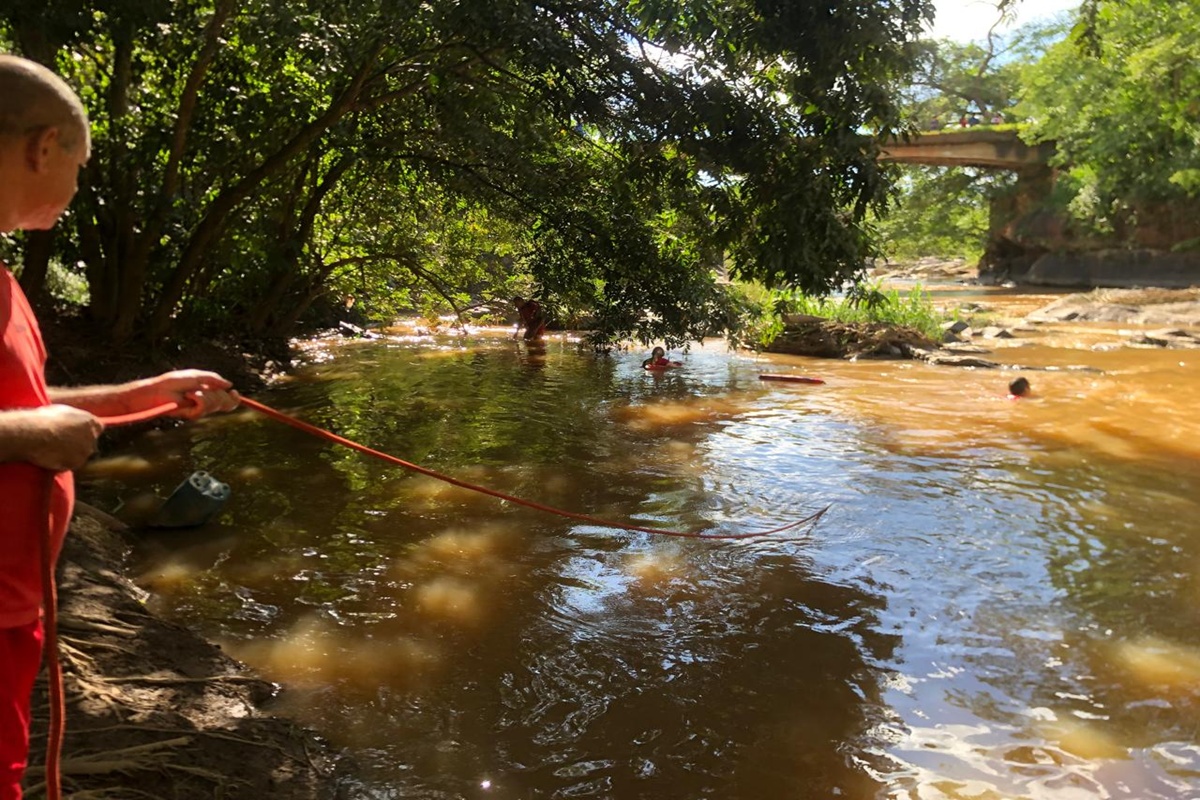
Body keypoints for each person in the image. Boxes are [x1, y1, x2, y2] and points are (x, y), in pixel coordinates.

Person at [0, 54, 240, 799]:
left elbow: (29, 403)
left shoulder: (4, 279)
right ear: (44, 148)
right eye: (79, 163)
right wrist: (26, 439)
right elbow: (25, 426)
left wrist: (149, 392)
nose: (76, 190)